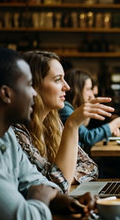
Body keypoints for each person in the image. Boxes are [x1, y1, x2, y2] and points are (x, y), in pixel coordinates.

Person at [0, 47, 95, 220]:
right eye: (28, 85)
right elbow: (23, 216)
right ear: (6, 94)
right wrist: (41, 198)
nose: (34, 93)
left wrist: (69, 202)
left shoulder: (5, 133)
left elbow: (36, 182)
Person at [13, 51, 114, 194]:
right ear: (34, 86)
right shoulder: (17, 132)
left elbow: (90, 166)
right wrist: (72, 124)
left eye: (64, 79)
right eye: (57, 79)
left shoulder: (53, 123)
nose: (67, 87)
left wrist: (66, 177)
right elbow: (56, 186)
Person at [59, 68, 120, 152]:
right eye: (88, 89)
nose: (92, 94)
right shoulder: (65, 108)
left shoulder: (72, 108)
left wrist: (109, 133)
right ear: (77, 90)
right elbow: (88, 137)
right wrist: (117, 123)